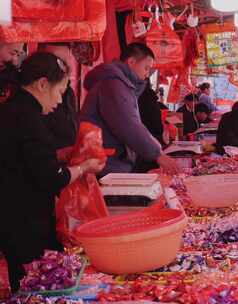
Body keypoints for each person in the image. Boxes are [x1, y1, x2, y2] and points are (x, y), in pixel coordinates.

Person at [0, 53, 105, 291]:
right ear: (42, 84)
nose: (59, 101)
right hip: (24, 219)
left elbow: (23, 159)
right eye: (59, 92)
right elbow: (53, 179)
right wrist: (84, 167)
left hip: (12, 214)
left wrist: (59, 156)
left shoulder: (13, 110)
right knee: (33, 285)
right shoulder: (29, 118)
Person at [80, 42, 179, 175]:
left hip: (109, 162)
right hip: (105, 164)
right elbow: (128, 125)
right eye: (146, 68)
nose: (147, 74)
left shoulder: (121, 85)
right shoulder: (113, 84)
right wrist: (157, 154)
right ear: (131, 62)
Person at [38, 43, 79, 150]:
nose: (66, 68)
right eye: (59, 62)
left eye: (67, 61)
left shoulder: (69, 92)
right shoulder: (31, 99)